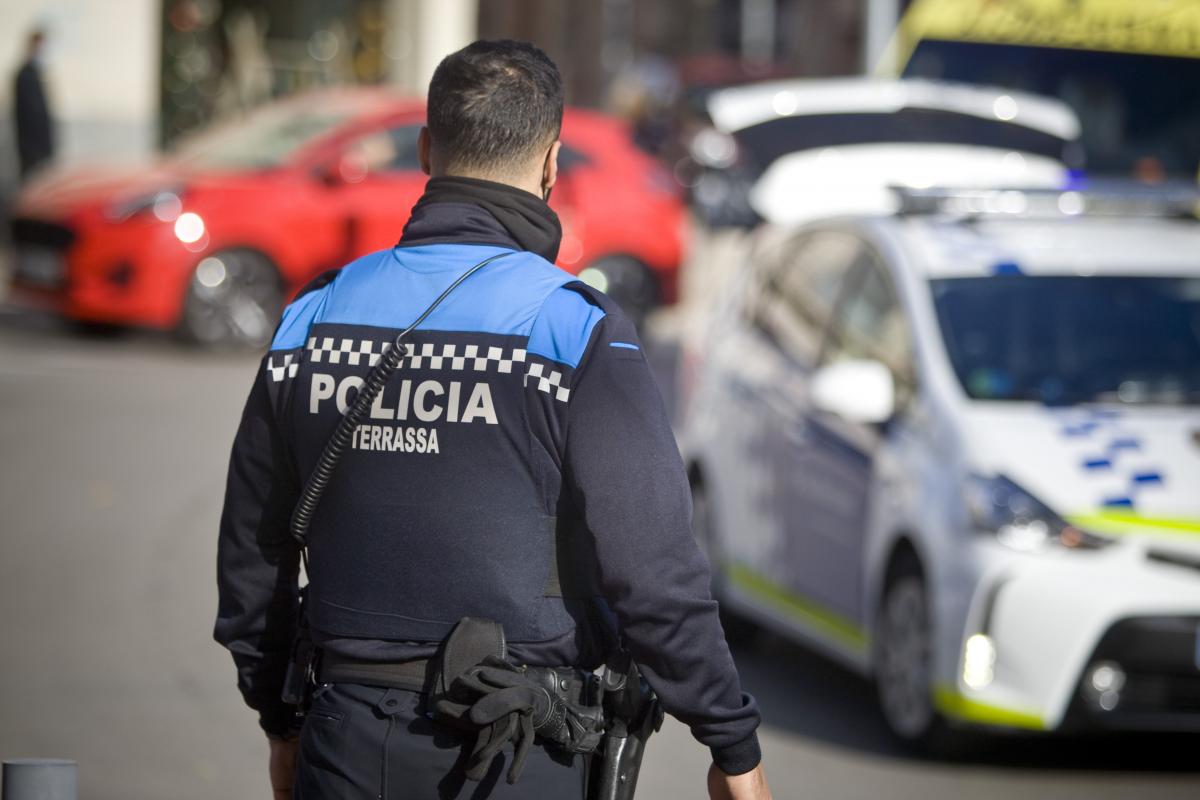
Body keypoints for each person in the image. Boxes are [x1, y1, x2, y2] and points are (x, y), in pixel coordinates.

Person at [215, 39, 771, 800]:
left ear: (424, 151)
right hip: (517, 757)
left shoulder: (312, 318)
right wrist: (729, 742)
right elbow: (654, 569)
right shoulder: (574, 331)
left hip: (343, 741)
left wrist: (279, 719)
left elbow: (256, 548)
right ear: (551, 162)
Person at [13, 29, 55, 181]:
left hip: (41, 149)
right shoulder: (24, 74)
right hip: (31, 149)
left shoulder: (36, 74)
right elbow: (28, 116)